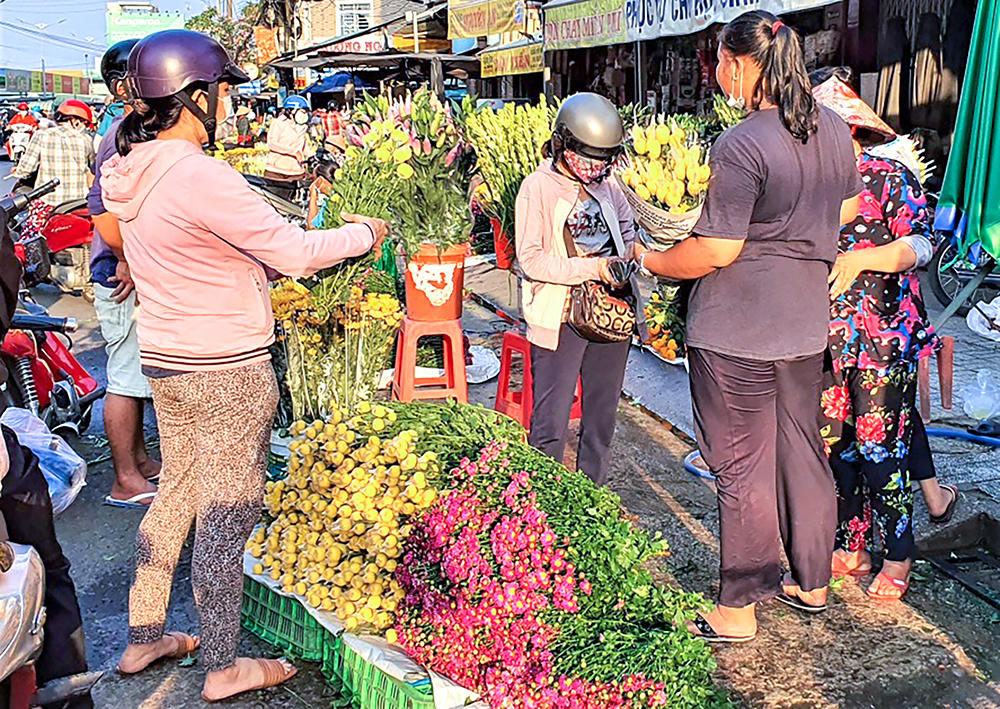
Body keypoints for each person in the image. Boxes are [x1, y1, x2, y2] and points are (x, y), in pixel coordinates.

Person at [99, 29, 387, 702]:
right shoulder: (197, 172)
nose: (228, 103)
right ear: (194, 95)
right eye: (222, 90)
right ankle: (224, 662)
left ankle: (145, 634)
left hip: (168, 362)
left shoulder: (129, 166)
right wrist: (365, 233)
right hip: (226, 367)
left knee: (175, 495)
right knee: (228, 513)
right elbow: (291, 251)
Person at [634, 11, 862, 641]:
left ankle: (737, 607)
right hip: (803, 324)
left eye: (720, 63)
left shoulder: (741, 143)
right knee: (804, 451)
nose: (718, 75)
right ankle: (813, 581)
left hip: (736, 329)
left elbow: (714, 251)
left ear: (739, 64)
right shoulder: (836, 130)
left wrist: (650, 259)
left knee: (741, 465)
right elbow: (844, 206)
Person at [811, 73, 943, 600]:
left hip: (885, 339)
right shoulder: (811, 184)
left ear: (852, 132)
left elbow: (921, 245)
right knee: (836, 448)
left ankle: (899, 554)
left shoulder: (888, 177)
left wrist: (862, 258)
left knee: (881, 450)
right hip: (825, 339)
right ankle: (852, 543)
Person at [515, 92, 636, 486]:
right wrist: (594, 267)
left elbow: (629, 232)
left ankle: (590, 498)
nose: (595, 168)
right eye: (588, 157)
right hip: (560, 315)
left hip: (609, 314)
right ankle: (542, 506)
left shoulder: (610, 185)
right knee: (550, 420)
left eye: (604, 160)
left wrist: (639, 260)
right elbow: (531, 259)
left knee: (602, 417)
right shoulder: (538, 187)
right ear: (564, 144)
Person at [88, 37, 161, 510]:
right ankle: (125, 479)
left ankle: (139, 460)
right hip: (118, 274)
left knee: (134, 374)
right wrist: (128, 258)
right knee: (125, 376)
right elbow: (103, 210)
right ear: (121, 87)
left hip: (127, 269)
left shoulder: (131, 129)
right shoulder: (121, 134)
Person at [12, 100, 95, 238]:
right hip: (80, 203)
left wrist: (17, 170)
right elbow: (91, 165)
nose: (85, 127)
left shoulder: (42, 135)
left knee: (30, 238)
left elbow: (26, 169)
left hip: (49, 201)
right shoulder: (86, 139)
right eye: (85, 123)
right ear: (76, 121)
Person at [263, 94, 314, 200]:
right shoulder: (278, 123)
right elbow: (272, 144)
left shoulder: (302, 127)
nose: (304, 115)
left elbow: (303, 146)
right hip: (277, 172)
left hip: (295, 172)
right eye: (302, 112)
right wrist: (293, 151)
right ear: (291, 111)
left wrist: (312, 156)